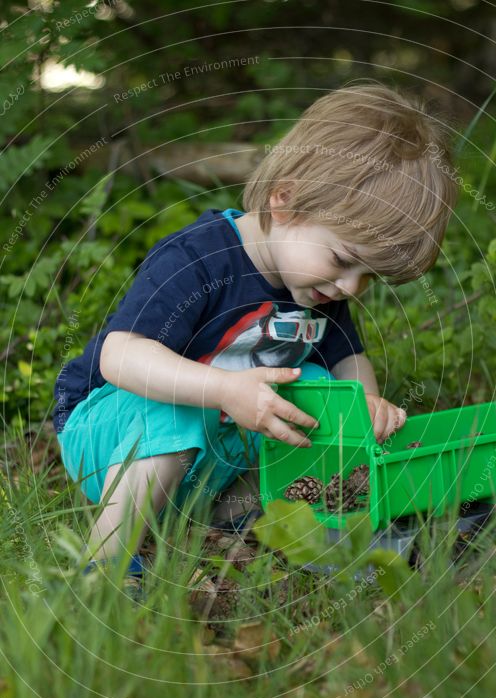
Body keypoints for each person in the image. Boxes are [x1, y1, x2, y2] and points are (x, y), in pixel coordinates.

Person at [52, 82, 458, 578]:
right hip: (110, 433)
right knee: (179, 408)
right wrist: (223, 389)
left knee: (319, 394)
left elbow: (346, 359)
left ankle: (285, 525)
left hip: (210, 454)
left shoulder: (317, 286)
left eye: (369, 277)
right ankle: (105, 566)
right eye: (344, 260)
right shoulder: (198, 259)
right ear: (284, 202)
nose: (352, 287)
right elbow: (120, 357)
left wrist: (365, 404)